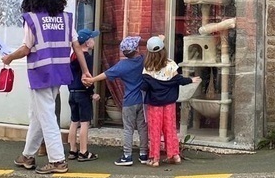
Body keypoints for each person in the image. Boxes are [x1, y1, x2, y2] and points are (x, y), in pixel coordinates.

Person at [3, 0, 87, 174]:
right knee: (38, 115)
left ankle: (57, 161)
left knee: (46, 116)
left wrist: (8, 58)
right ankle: (27, 155)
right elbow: (76, 45)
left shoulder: (32, 19)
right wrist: (85, 71)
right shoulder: (66, 18)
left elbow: (26, 48)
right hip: (59, 72)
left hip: (40, 73)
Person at [84, 35, 149, 166]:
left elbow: (106, 74)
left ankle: (127, 155)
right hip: (142, 100)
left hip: (129, 101)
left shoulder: (122, 65)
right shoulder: (143, 60)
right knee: (143, 127)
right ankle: (143, 154)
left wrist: (91, 80)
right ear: (136, 49)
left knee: (128, 129)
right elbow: (153, 53)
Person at [140, 35, 200, 167]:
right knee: (170, 129)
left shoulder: (147, 69)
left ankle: (154, 158)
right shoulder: (171, 65)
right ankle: (174, 155)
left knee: (155, 130)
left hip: (154, 104)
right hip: (169, 104)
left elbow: (144, 87)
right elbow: (180, 80)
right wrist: (191, 80)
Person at [67, 29, 99, 162]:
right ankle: (83, 151)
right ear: (87, 42)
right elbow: (87, 77)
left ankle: (72, 150)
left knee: (74, 122)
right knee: (85, 123)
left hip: (72, 92)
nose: (94, 41)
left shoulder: (72, 57)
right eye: (92, 38)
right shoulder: (87, 57)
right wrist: (92, 93)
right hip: (83, 93)